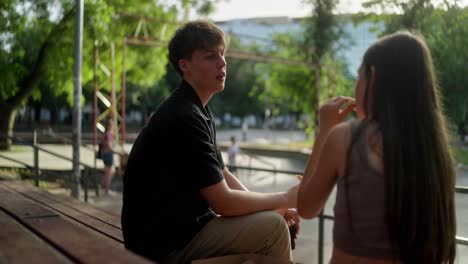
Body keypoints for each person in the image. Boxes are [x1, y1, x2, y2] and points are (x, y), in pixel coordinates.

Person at [121, 20, 299, 264]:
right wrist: (285, 198)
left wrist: (270, 207)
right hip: (164, 246)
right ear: (185, 66)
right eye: (210, 56)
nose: (222, 62)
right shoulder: (184, 116)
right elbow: (223, 202)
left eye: (222, 54)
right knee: (273, 230)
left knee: (268, 230)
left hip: (175, 235)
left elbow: (222, 174)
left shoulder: (196, 108)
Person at [297, 32, 456, 263]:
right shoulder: (437, 153)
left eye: (359, 75)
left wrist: (324, 131)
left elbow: (306, 207)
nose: (356, 85)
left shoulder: (344, 138)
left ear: (373, 77)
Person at [100, 119, 115, 195]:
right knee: (109, 173)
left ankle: (103, 187)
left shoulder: (105, 133)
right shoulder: (109, 133)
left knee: (107, 172)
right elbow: (109, 145)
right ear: (110, 125)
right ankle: (107, 189)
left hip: (104, 154)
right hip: (108, 154)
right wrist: (115, 151)